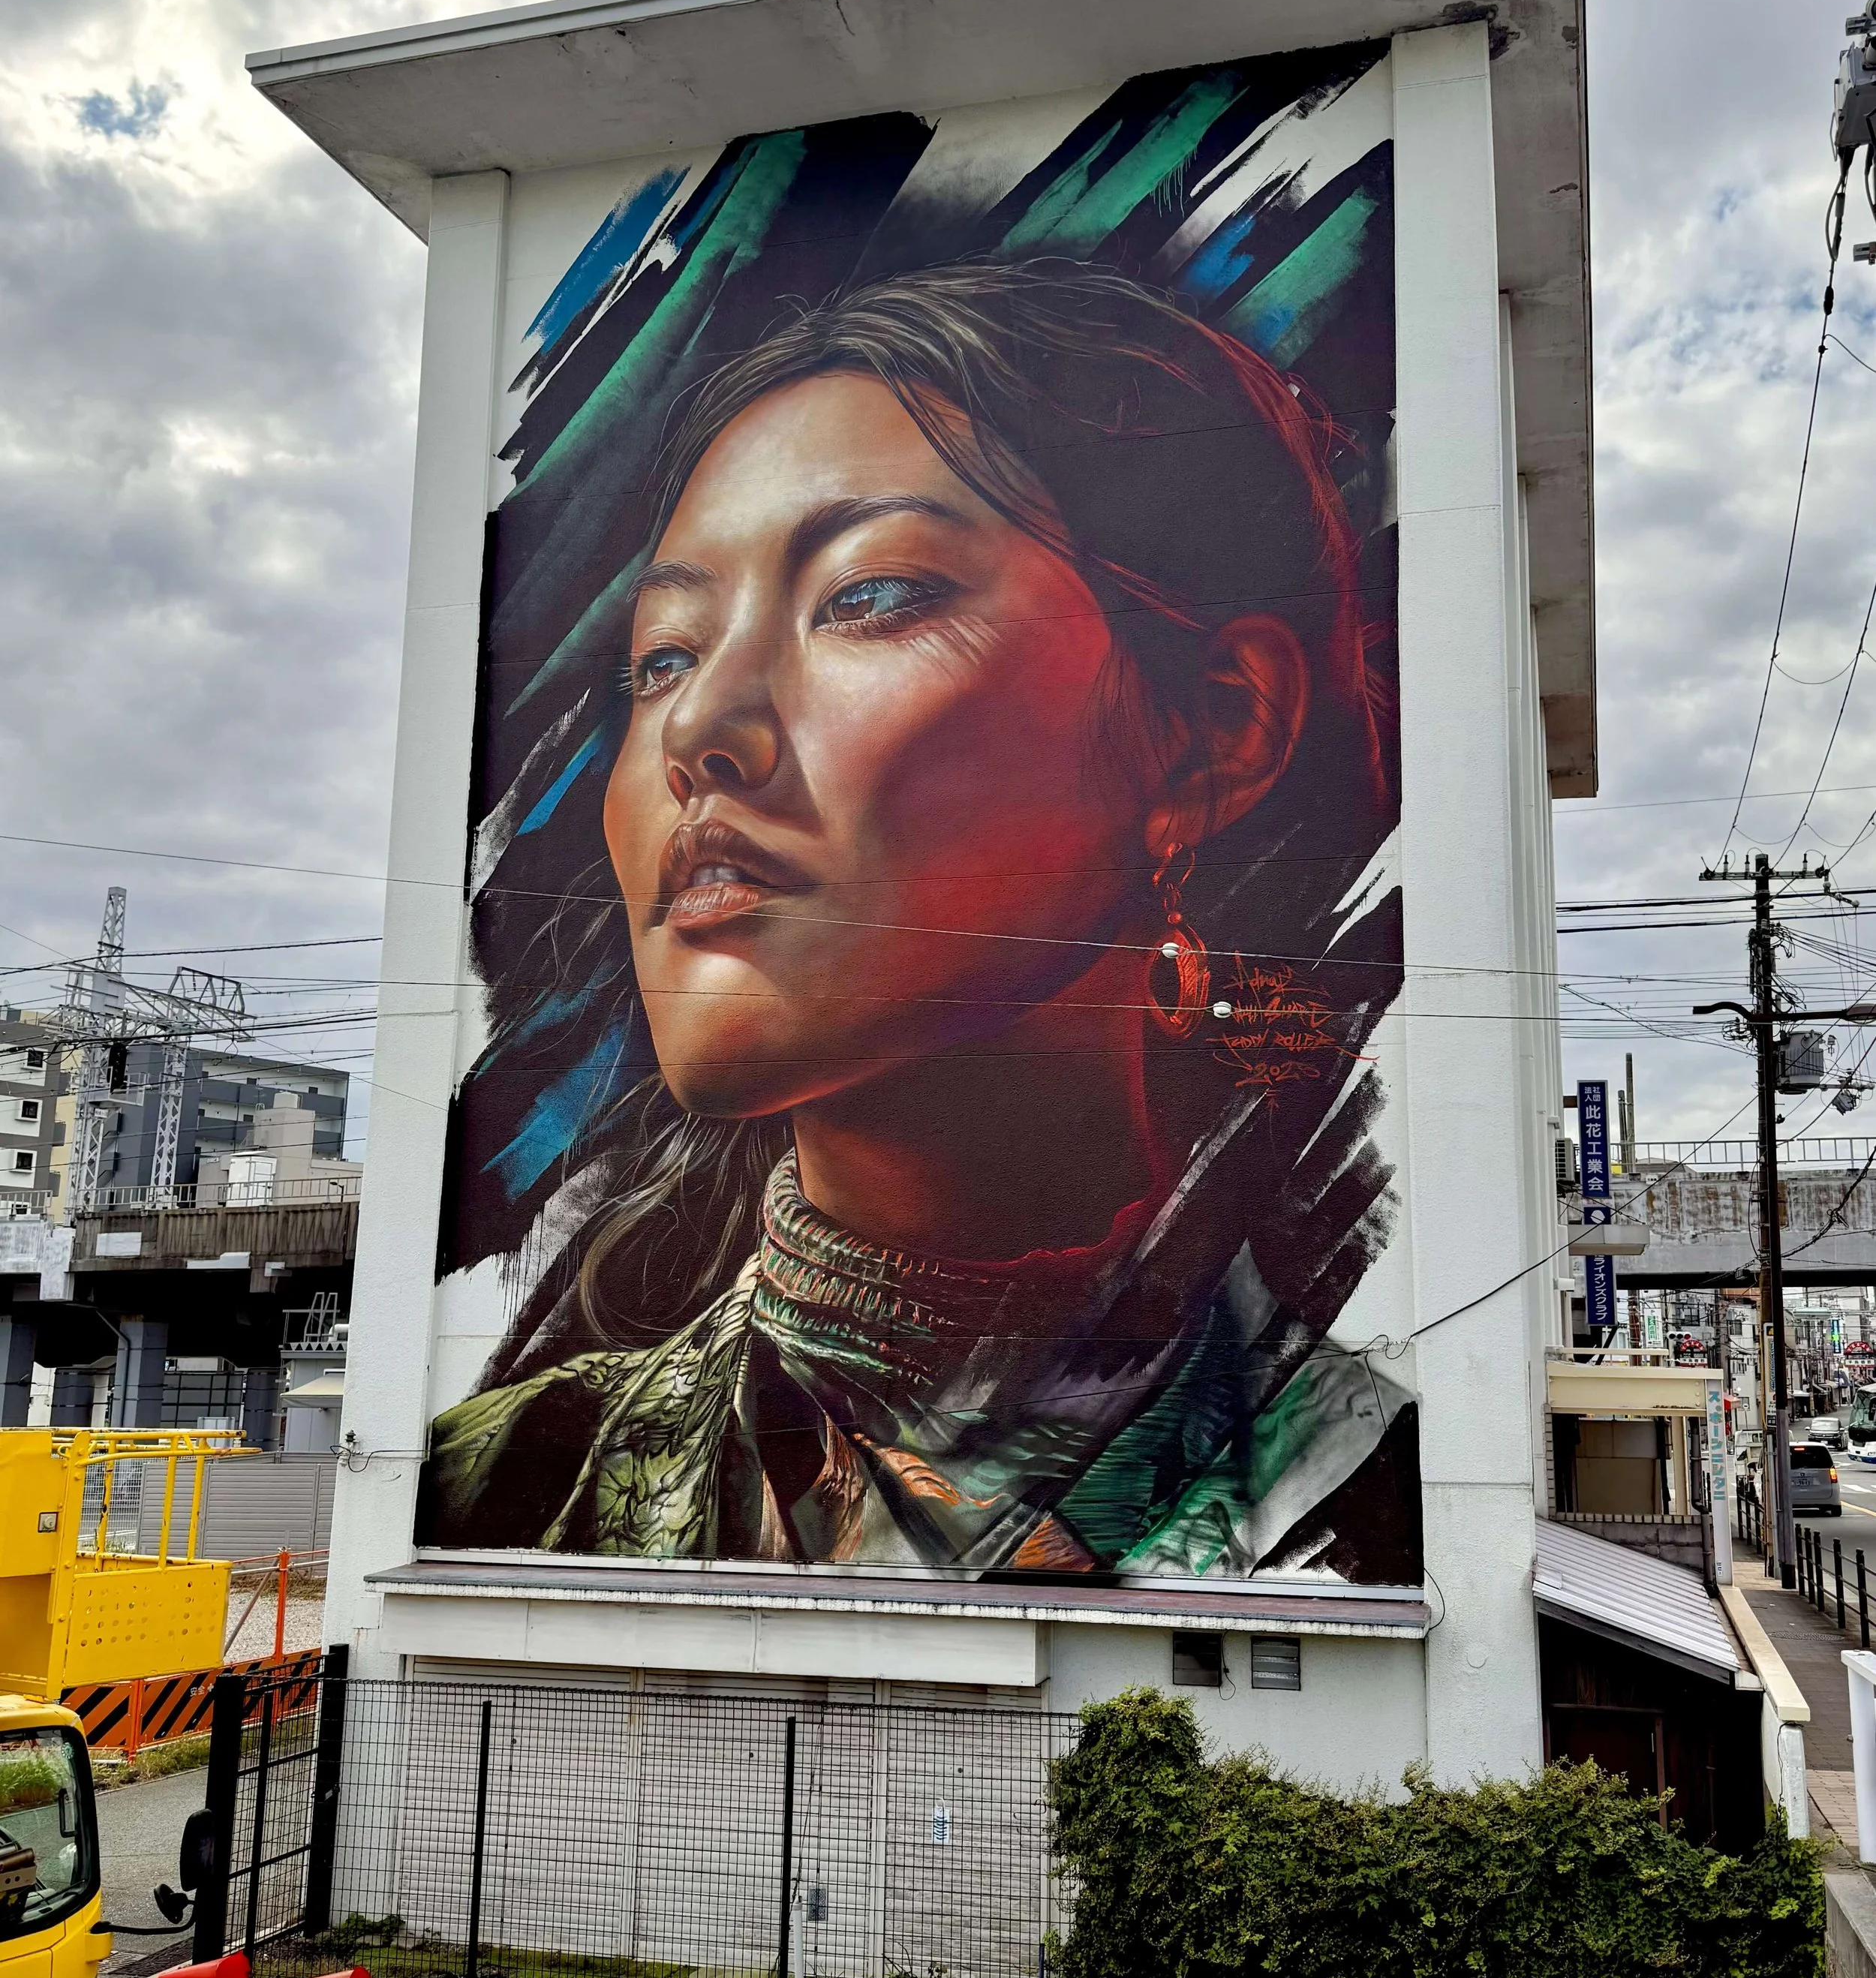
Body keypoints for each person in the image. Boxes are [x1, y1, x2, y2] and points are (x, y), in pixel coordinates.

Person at [422, 257, 1412, 1577]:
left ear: (1213, 733)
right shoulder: (503, 1487)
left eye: (870, 596)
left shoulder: (1368, 1503)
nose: (701, 731)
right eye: (664, 655)